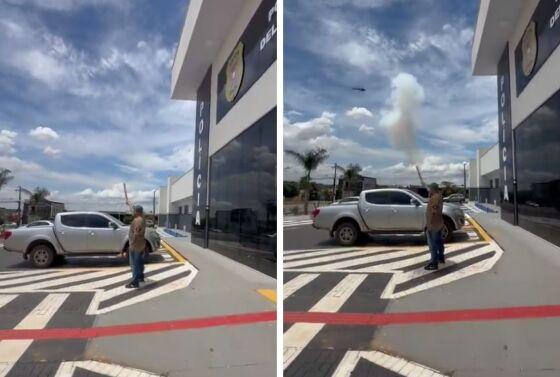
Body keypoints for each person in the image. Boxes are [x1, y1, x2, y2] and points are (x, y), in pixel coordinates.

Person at [424, 183, 445, 271]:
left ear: (433, 189)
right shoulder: (438, 196)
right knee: (439, 242)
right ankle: (440, 258)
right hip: (439, 223)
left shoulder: (435, 197)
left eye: (430, 189)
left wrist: (429, 225)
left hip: (433, 225)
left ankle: (433, 262)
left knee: (432, 244)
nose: (429, 190)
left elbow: (433, 211)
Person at [126, 205, 146, 288]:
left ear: (137, 211)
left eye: (134, 210)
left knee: (134, 263)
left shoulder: (138, 220)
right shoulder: (142, 219)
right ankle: (140, 277)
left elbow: (136, 233)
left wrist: (132, 244)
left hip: (136, 245)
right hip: (140, 244)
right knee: (139, 262)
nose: (133, 212)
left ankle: (135, 282)